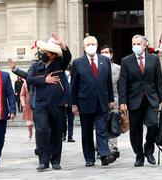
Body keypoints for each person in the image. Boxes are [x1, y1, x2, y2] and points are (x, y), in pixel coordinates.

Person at [118, 35, 162, 167]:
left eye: (138, 43)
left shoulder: (154, 60)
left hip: (151, 99)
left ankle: (149, 150)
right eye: (133, 43)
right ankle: (139, 155)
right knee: (135, 130)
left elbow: (159, 80)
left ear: (145, 44)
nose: (136, 46)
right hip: (134, 101)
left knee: (153, 125)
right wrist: (122, 101)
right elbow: (122, 83)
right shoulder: (126, 61)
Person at [27, 32, 72, 171]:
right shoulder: (36, 66)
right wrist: (44, 80)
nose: (41, 54)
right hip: (41, 105)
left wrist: (61, 44)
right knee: (42, 131)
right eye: (41, 51)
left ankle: (56, 160)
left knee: (56, 132)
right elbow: (29, 79)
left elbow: (68, 56)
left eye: (44, 52)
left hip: (57, 104)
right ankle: (43, 161)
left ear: (52, 54)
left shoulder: (59, 64)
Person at [71, 36, 116, 167]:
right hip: (84, 103)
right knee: (87, 131)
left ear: (97, 45)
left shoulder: (104, 60)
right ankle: (89, 158)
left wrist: (111, 99)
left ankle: (104, 155)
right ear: (84, 47)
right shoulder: (77, 62)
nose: (91, 46)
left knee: (101, 128)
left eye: (93, 43)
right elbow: (73, 85)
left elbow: (108, 82)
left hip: (102, 102)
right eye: (88, 44)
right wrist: (74, 104)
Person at [100, 45, 121, 159]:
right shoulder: (97, 67)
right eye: (102, 52)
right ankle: (101, 147)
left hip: (114, 100)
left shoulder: (118, 68)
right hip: (100, 100)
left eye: (106, 52)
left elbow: (120, 86)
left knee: (112, 124)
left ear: (111, 54)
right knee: (100, 124)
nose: (104, 54)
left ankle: (114, 148)